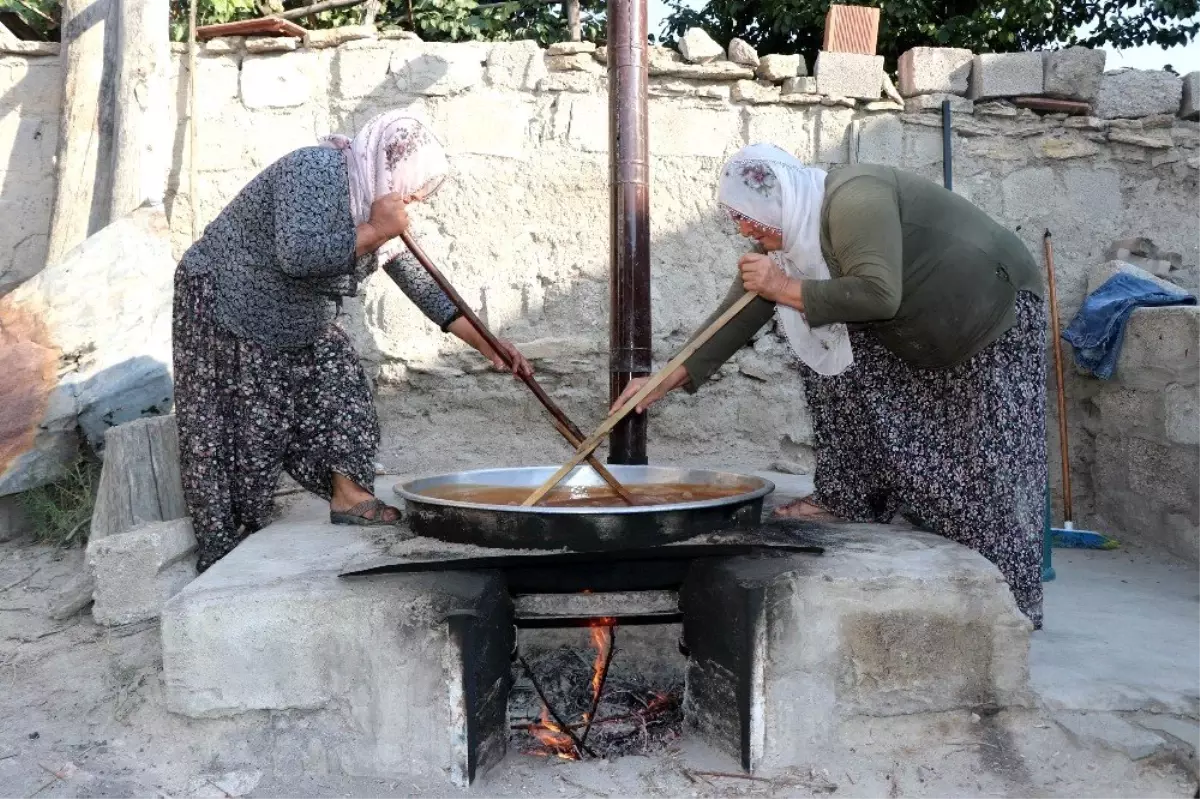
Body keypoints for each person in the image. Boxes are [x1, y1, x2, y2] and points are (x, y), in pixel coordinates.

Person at [612, 143, 1048, 628]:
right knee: (830, 365)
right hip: (920, 327)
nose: (744, 229)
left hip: (988, 310)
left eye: (750, 217)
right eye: (737, 217)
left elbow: (879, 294)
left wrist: (782, 289)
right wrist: (666, 379)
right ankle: (851, 497)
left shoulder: (854, 199)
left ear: (780, 198)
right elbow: (736, 317)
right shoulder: (791, 240)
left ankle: (1011, 603)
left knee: (985, 461)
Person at [173, 110, 531, 572]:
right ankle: (223, 540)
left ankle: (350, 498)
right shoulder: (314, 171)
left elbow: (421, 284)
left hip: (295, 313)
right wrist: (378, 229)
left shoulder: (370, 204)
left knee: (341, 383)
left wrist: (487, 344)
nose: (411, 200)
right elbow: (298, 254)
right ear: (387, 166)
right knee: (235, 426)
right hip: (225, 299)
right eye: (411, 187)